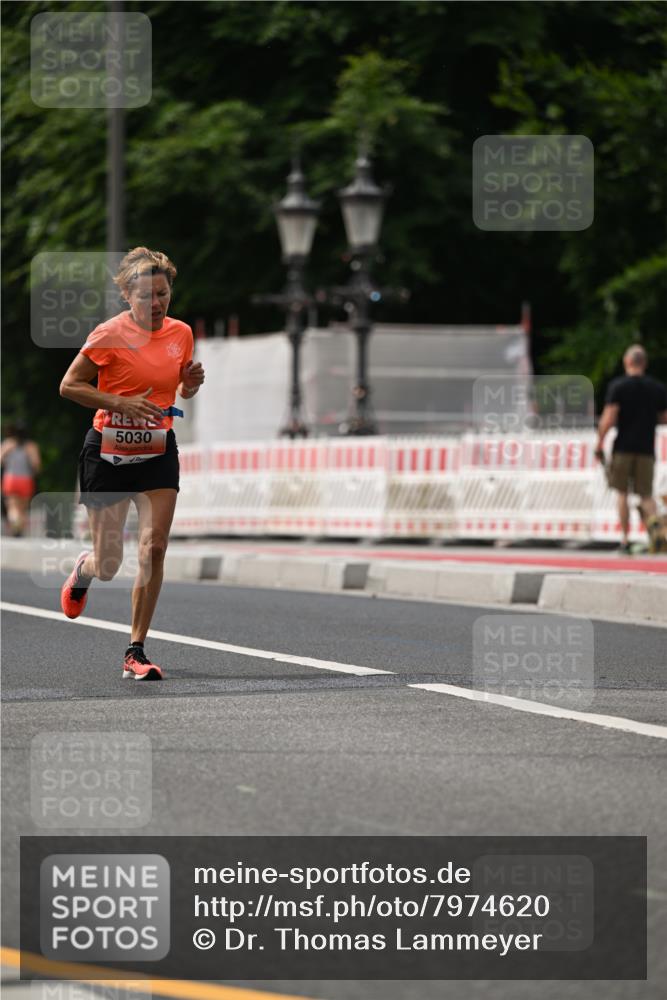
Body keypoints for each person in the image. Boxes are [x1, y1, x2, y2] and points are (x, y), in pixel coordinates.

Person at [59, 247, 205, 679]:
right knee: (109, 563)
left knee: (154, 548)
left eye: (163, 294)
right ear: (127, 294)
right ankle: (83, 572)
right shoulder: (108, 334)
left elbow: (178, 390)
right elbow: (70, 385)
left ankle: (135, 651)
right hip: (107, 449)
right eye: (147, 295)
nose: (157, 303)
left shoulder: (181, 333)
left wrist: (190, 383)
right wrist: (120, 402)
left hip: (158, 449)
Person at [596, 344, 667, 553]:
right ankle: (658, 534)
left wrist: (599, 441)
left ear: (627, 362)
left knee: (622, 493)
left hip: (623, 448)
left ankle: (625, 540)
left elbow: (609, 417)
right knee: (646, 495)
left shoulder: (619, 387)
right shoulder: (657, 388)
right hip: (646, 448)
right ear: (644, 363)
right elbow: (664, 418)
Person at [1, 420, 41, 536]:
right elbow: (36, 465)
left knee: (12, 506)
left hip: (10, 479)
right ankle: (19, 528)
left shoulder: (8, 444)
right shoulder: (31, 446)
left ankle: (14, 523)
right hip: (26, 480)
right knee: (23, 508)